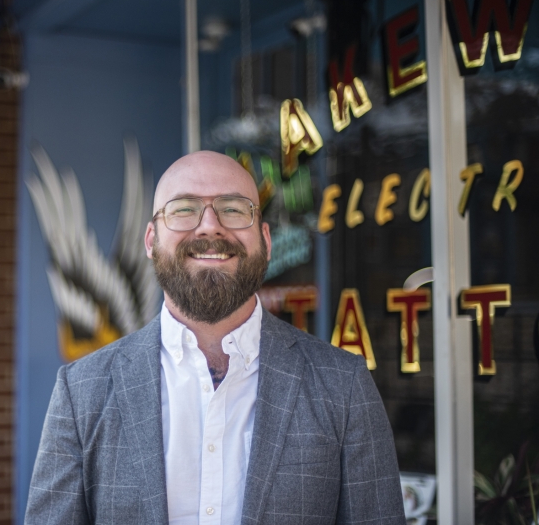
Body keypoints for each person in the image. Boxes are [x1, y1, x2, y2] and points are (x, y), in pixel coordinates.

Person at [26, 151, 406, 524]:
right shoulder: (80, 393)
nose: (209, 226)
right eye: (184, 209)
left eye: (234, 208)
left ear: (266, 240)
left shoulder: (344, 386)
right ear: (150, 239)